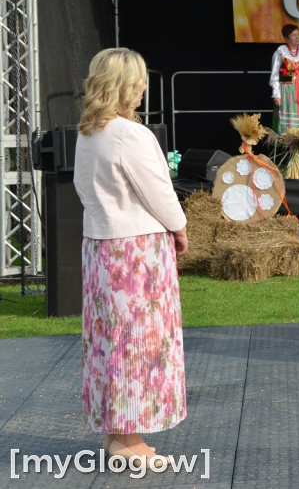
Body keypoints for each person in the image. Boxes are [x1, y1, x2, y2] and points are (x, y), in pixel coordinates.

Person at [73, 48, 188, 467]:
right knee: (137, 344)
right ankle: (129, 441)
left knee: (109, 342)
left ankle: (118, 435)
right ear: (121, 85)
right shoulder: (129, 134)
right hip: (136, 254)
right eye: (137, 81)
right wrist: (180, 226)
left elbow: (82, 189)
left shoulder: (88, 132)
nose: (143, 88)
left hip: (101, 248)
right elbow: (159, 191)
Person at [270, 23, 299, 132]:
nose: (297, 37)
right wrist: (276, 94)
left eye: (298, 34)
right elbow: (275, 75)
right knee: (288, 122)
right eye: (293, 35)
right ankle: (288, 143)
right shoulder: (280, 52)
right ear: (286, 38)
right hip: (286, 92)